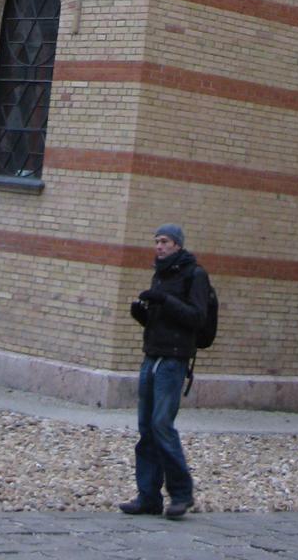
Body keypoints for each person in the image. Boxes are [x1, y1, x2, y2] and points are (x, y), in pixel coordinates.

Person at [118, 223, 211, 520]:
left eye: (165, 241)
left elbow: (196, 317)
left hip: (173, 362)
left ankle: (182, 493)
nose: (159, 246)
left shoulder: (195, 274)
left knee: (161, 424)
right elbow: (163, 322)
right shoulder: (160, 273)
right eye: (157, 241)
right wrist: (143, 315)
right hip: (153, 356)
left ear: (178, 245)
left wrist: (164, 300)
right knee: (146, 427)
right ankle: (148, 496)